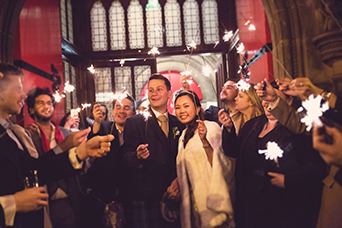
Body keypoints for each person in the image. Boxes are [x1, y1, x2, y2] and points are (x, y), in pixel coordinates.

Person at [0, 63, 113, 228]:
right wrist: (11, 203)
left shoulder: (9, 133)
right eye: (18, 89)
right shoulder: (20, 133)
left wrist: (81, 152)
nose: (24, 95)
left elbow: (35, 169)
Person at [223, 86, 326, 228]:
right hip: (250, 197)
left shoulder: (295, 129)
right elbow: (234, 151)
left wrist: (289, 180)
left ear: (287, 102)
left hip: (280, 201)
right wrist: (229, 129)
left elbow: (315, 165)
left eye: (272, 98)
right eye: (264, 98)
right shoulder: (252, 124)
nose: (267, 102)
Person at [123, 74, 185, 227]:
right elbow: (125, 158)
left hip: (174, 193)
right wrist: (137, 155)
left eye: (159, 89)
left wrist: (177, 180)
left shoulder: (179, 123)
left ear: (169, 93)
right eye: (151, 90)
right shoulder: (135, 122)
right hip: (146, 195)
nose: (154, 93)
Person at [168, 91, 235, 228]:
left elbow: (222, 164)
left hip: (212, 202)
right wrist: (178, 181)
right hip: (192, 205)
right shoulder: (183, 135)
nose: (182, 111)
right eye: (178, 107)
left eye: (186, 106)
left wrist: (204, 140)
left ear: (198, 108)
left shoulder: (211, 128)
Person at [25, 87, 86, 228]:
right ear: (31, 109)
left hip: (69, 199)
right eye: (40, 103)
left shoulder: (66, 133)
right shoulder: (27, 135)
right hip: (44, 201)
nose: (46, 106)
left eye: (49, 103)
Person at [83, 95, 136, 228]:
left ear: (133, 112)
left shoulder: (137, 132)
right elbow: (93, 140)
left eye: (126, 108)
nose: (121, 111)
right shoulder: (105, 127)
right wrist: (96, 122)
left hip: (128, 196)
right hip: (101, 195)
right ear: (112, 111)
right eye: (118, 107)